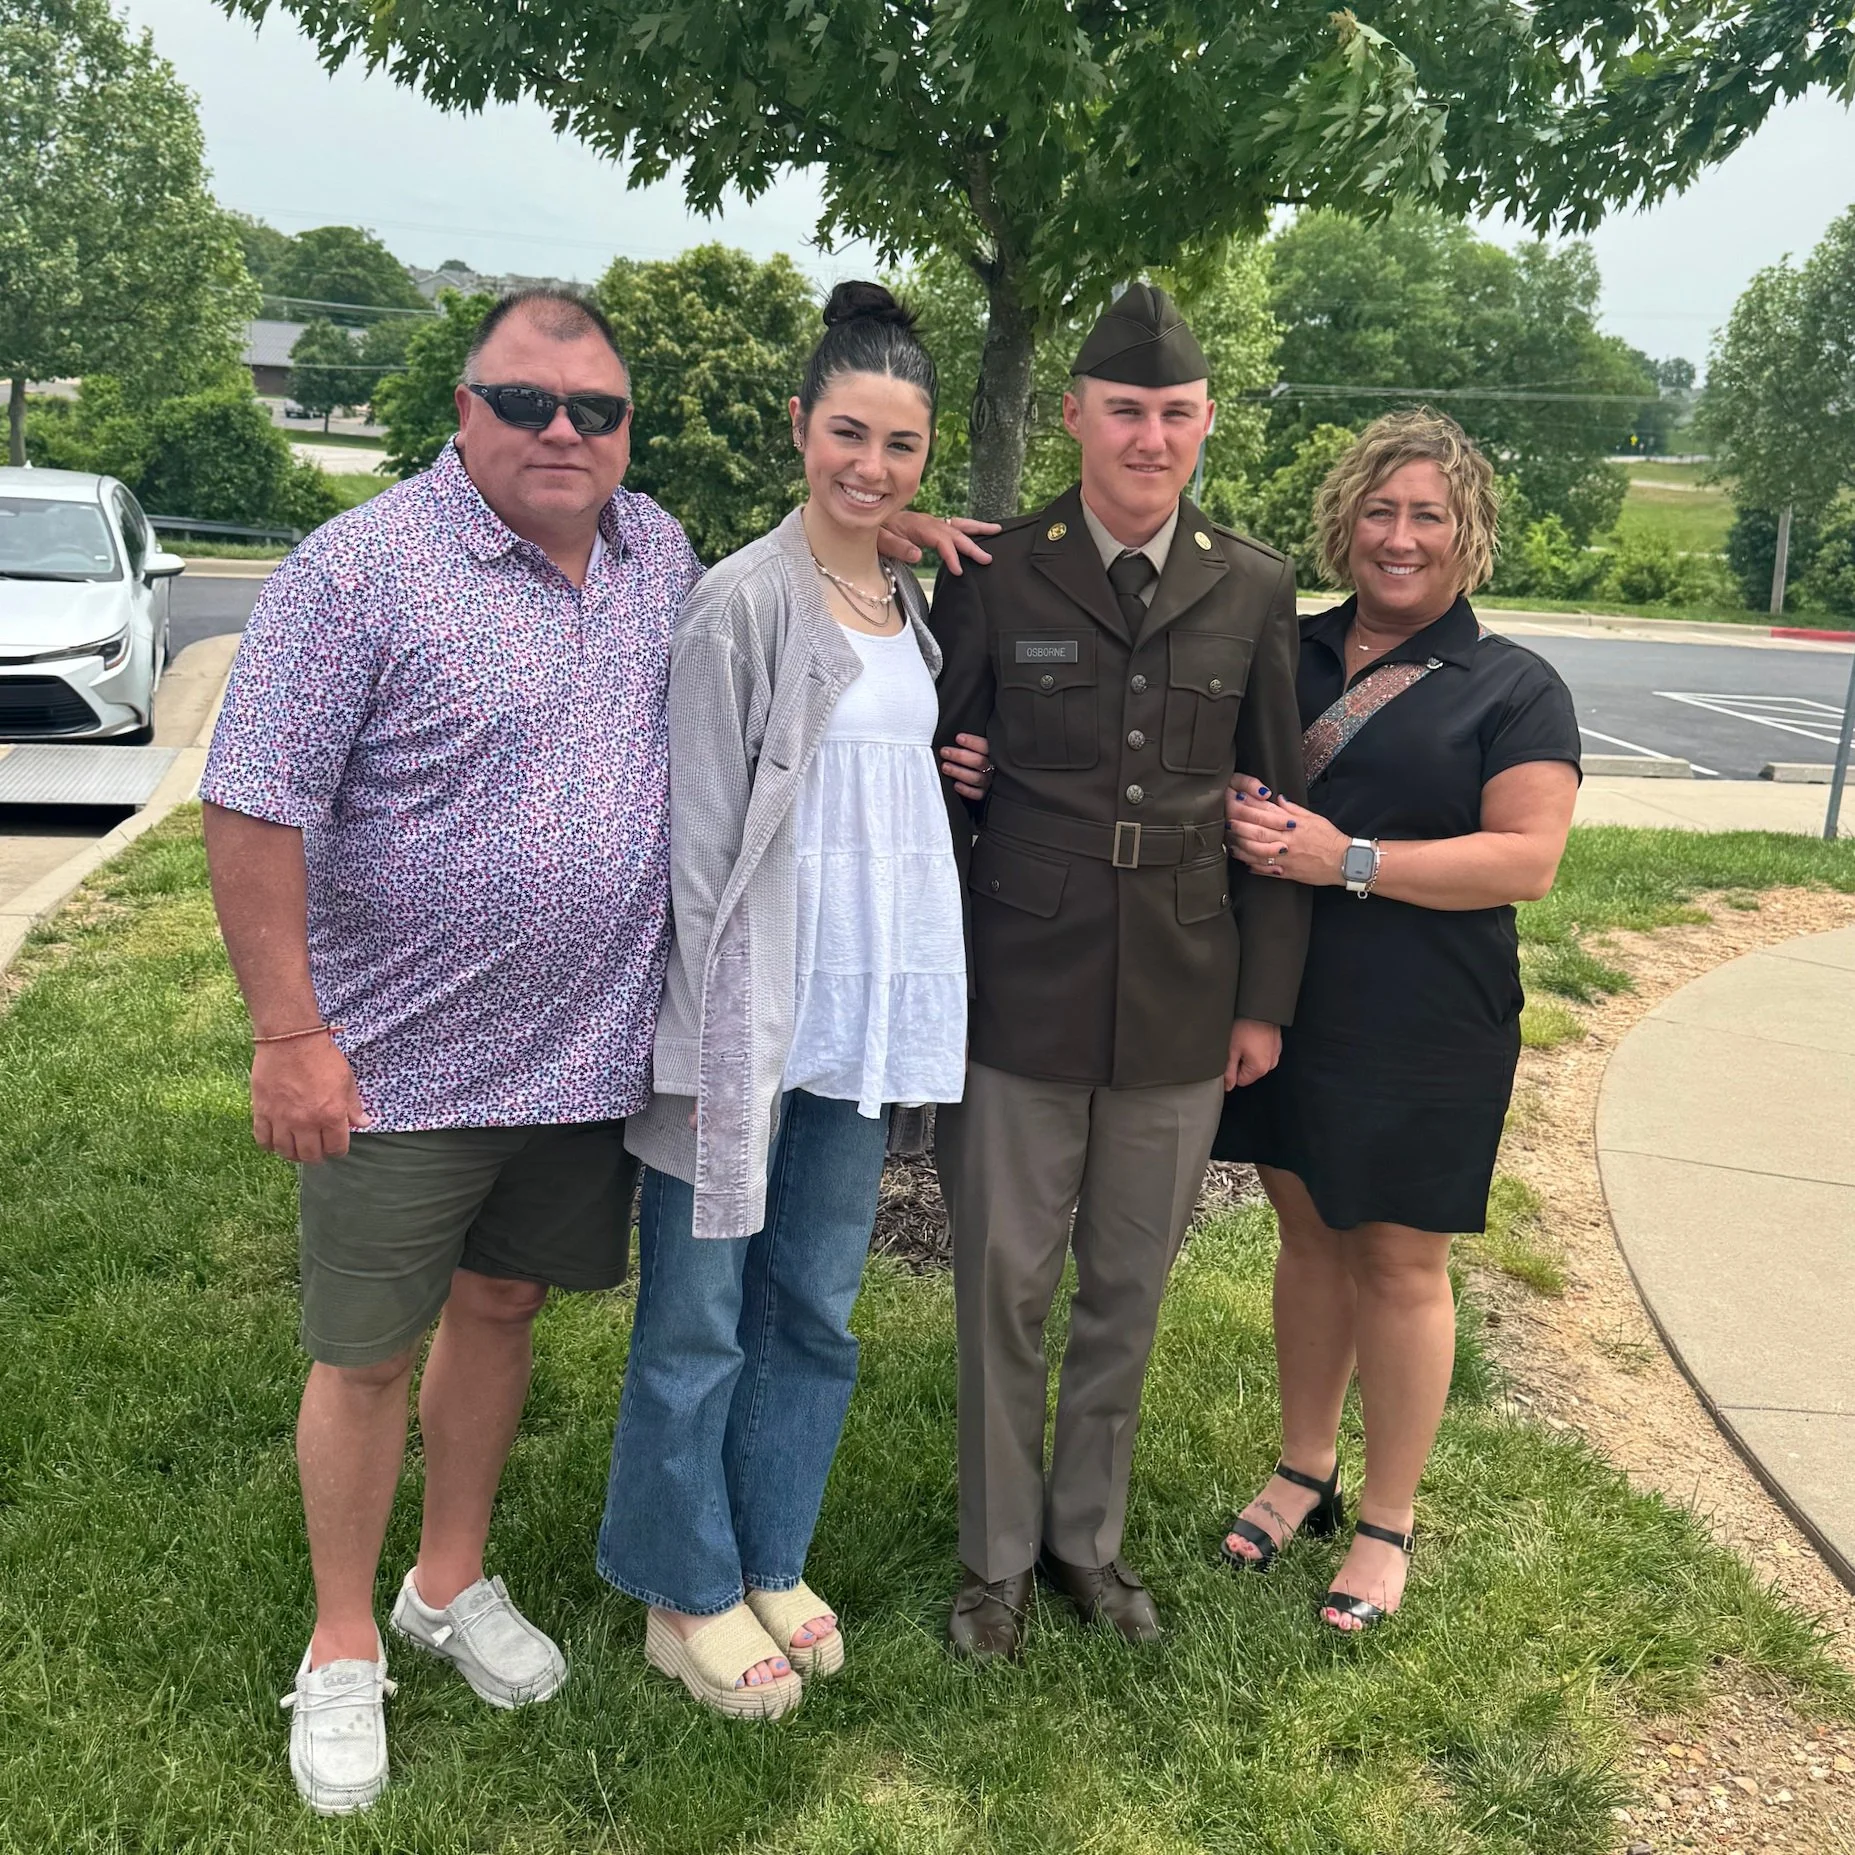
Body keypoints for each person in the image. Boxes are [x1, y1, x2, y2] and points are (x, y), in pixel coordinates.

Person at [200, 287, 992, 1813]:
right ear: (462, 406)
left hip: (581, 1056)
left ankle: (446, 1581)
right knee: (365, 1353)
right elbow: (254, 799)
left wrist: (889, 521)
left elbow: (813, 575)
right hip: (395, 1059)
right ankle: (346, 1638)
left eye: (594, 411)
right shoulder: (358, 569)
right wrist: (289, 1029)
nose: (562, 432)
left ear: (627, 430)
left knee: (500, 1309)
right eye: (525, 403)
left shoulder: (653, 556)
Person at [599, 282, 970, 1717]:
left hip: (858, 1016)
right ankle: (678, 1583)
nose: (870, 467)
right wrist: (698, 1039)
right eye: (847, 434)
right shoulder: (738, 603)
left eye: (899, 445)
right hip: (742, 1022)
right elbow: (696, 848)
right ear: (798, 429)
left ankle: (769, 1549)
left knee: (812, 1304)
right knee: (697, 1317)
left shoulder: (902, 599)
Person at [927, 284, 1311, 1661]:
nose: (1147, 438)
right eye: (1124, 411)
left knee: (1123, 1290)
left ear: (1203, 422)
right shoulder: (990, 567)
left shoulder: (1252, 581)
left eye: (1173, 414)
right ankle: (991, 1562)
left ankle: (1084, 1541)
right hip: (1013, 981)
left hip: (1180, 988)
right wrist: (949, 771)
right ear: (1076, 416)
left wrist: (1260, 1000)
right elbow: (921, 765)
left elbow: (1275, 802)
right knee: (1002, 1285)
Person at [1215, 408, 1581, 1632]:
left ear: (1467, 532)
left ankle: (1385, 1521)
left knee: (1400, 1259)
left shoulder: (1514, 686)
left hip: (1430, 1015)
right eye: (1380, 509)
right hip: (1288, 1002)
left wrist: (1346, 859)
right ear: (1344, 523)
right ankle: (1301, 1466)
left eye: (1429, 513)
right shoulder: (1288, 652)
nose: (1401, 535)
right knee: (1308, 1235)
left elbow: (1525, 860)